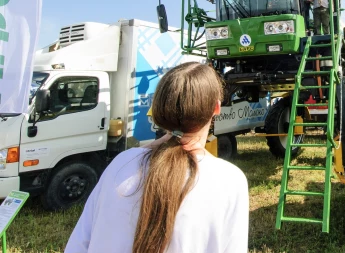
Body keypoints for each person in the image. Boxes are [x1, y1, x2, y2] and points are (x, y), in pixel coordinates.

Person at [65, 62, 249, 253]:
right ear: (216, 108)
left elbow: (78, 245)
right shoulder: (229, 181)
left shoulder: (120, 163)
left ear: (160, 107)